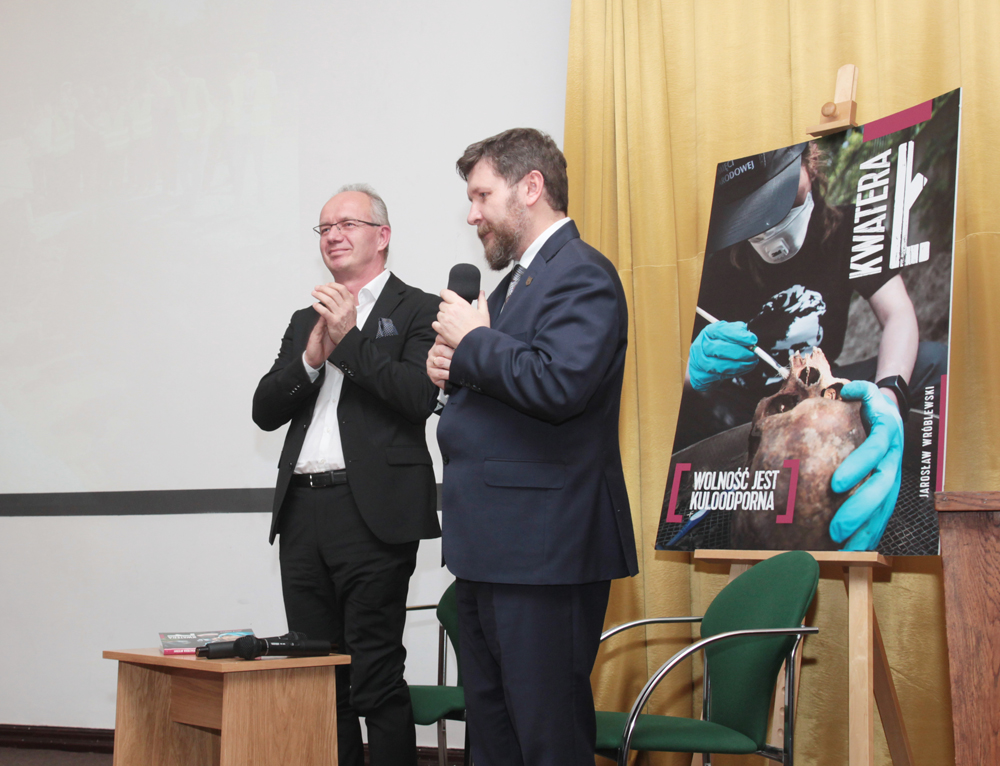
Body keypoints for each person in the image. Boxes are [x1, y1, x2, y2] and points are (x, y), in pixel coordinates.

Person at [426, 128, 639, 766]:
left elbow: (560, 383)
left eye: (482, 195)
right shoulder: (517, 283)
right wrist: (455, 368)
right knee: (494, 739)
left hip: (545, 548)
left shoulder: (583, 274)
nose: (473, 214)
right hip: (492, 547)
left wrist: (474, 344)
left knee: (547, 739)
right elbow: (509, 381)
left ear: (531, 188)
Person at [676, 143, 946, 550]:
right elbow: (649, 377)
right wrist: (689, 371)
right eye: (751, 214)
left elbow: (897, 314)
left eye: (777, 198)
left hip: (821, 386)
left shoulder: (852, 228)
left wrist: (890, 396)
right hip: (734, 415)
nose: (768, 225)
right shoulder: (712, 264)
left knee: (932, 362)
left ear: (809, 161)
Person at [252, 184, 439, 766]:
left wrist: (349, 340)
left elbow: (417, 398)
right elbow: (264, 410)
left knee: (375, 674)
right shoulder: (303, 319)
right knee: (316, 675)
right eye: (324, 227)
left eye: (347, 224)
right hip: (303, 512)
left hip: (373, 514)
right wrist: (312, 357)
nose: (333, 235)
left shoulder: (419, 309)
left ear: (382, 236)